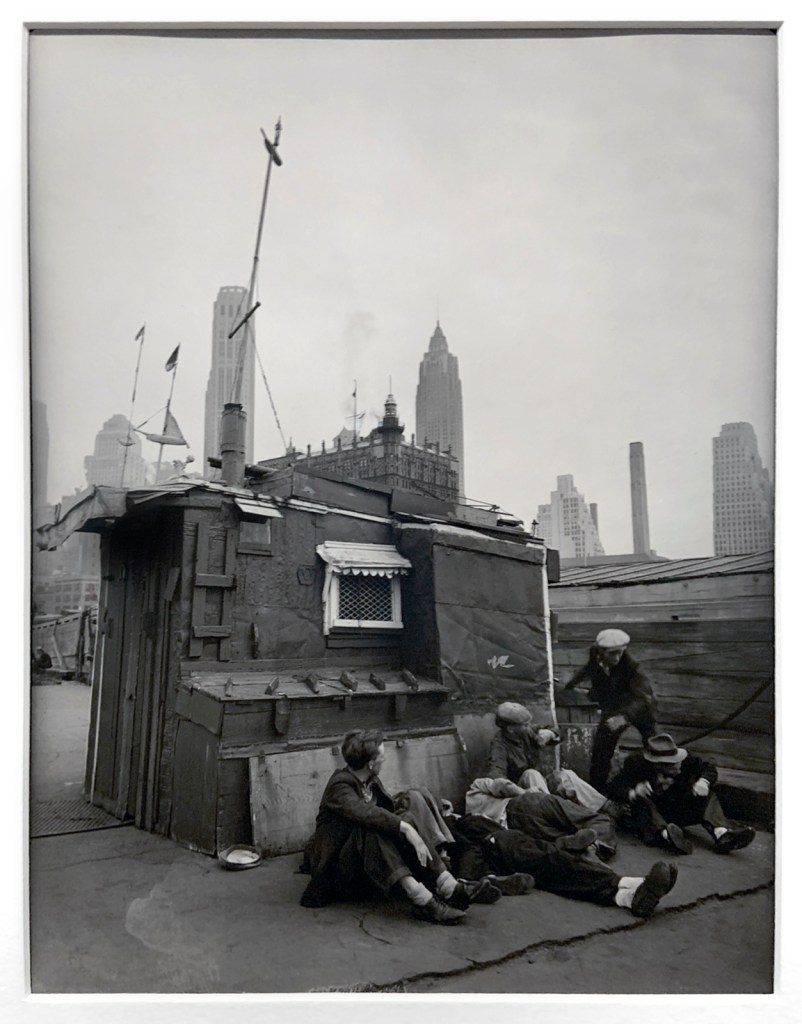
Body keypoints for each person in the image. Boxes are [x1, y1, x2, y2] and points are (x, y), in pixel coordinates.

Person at [300, 729, 510, 925]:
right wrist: (407, 830)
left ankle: (448, 885)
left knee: (406, 816)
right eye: (382, 756)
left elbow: (388, 813)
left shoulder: (369, 781)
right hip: (339, 875)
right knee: (372, 828)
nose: (384, 760)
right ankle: (423, 901)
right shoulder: (339, 786)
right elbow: (366, 814)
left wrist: (412, 823)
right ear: (371, 763)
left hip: (366, 867)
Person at [446, 809, 679, 919]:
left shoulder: (464, 823)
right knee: (558, 861)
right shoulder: (456, 828)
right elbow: (468, 851)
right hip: (505, 847)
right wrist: (475, 876)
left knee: (560, 874)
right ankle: (632, 887)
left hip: (515, 844)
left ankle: (630, 895)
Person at [606, 733, 756, 856]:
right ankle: (668, 836)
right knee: (643, 800)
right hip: (652, 816)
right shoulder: (636, 763)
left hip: (678, 807)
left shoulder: (686, 760)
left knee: (708, 794)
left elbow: (709, 768)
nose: (678, 766)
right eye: (672, 764)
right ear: (658, 764)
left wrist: (703, 781)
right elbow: (613, 787)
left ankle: (722, 834)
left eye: (677, 761)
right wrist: (633, 792)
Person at [563, 629, 657, 792]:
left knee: (654, 746)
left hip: (639, 708)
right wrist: (570, 685)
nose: (617, 657)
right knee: (601, 747)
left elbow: (644, 698)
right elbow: (589, 668)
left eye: (620, 652)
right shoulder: (595, 654)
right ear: (601, 651)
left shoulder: (633, 667)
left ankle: (655, 784)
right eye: (612, 653)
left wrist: (623, 717)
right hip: (614, 706)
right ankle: (597, 790)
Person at [488, 700, 613, 812]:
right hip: (523, 797)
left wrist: (550, 733)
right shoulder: (499, 746)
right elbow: (497, 779)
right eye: (525, 725)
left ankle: (607, 807)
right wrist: (522, 791)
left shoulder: (527, 732)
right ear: (510, 729)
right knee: (531, 773)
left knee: (566, 775)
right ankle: (552, 813)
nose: (529, 727)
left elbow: (558, 732)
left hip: (542, 787)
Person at [466, 777, 618, 861]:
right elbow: (501, 785)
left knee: (563, 839)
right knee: (598, 818)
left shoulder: (466, 819)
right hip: (523, 805)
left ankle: (584, 851)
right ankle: (597, 846)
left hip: (516, 831)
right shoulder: (475, 786)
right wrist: (525, 792)